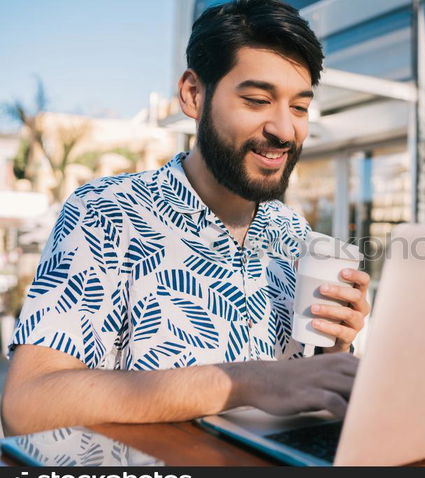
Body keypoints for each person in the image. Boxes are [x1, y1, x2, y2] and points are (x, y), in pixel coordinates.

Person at [1, 0, 371, 436]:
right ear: (194, 95)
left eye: (299, 107)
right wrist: (245, 381)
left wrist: (335, 353)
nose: (285, 130)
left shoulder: (293, 233)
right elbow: (27, 403)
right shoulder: (106, 213)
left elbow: (297, 394)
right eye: (257, 100)